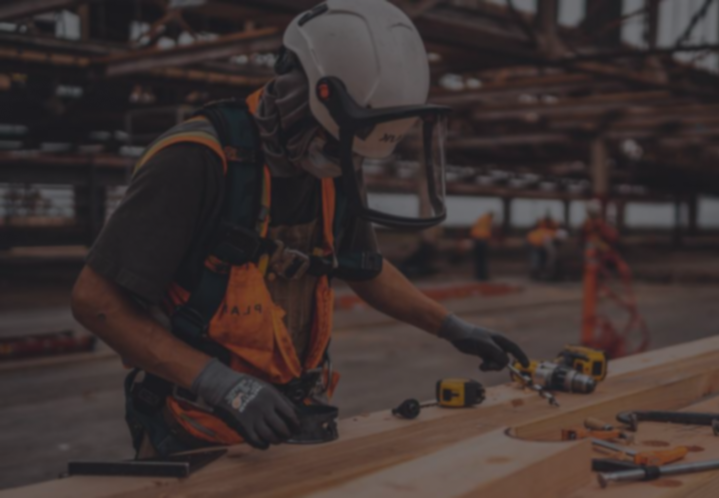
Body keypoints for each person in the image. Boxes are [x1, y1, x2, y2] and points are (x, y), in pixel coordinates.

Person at [69, 0, 529, 459]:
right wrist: (221, 384)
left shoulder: (334, 160)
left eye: (349, 149)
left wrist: (453, 327)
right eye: (332, 141)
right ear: (298, 93)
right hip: (193, 428)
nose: (339, 159)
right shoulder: (198, 159)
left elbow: (365, 268)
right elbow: (95, 301)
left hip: (292, 421)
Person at [469, 212, 494, 281]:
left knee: (478, 259)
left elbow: (474, 229)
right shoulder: (488, 220)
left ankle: (478, 275)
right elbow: (487, 231)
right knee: (482, 260)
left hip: (476, 239)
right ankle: (483, 276)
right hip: (482, 240)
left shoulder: (480, 219)